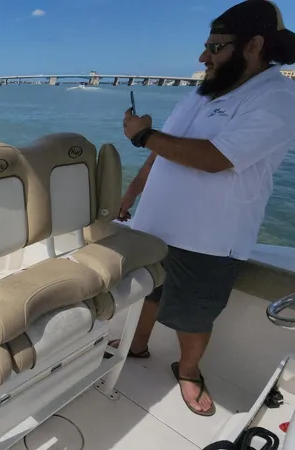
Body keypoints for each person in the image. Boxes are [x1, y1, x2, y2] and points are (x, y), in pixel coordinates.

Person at [117, 0, 295, 416]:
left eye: (215, 47)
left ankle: (189, 371)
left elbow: (217, 158)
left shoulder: (277, 97)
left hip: (209, 236)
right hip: (154, 225)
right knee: (148, 291)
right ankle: (136, 346)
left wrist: (142, 136)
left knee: (195, 313)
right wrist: (133, 191)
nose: (203, 57)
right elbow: (166, 148)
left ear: (254, 45)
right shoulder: (204, 91)